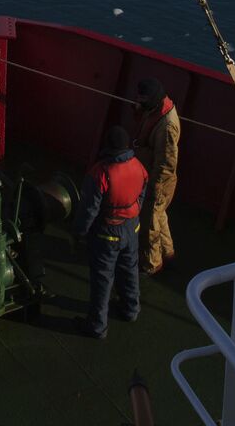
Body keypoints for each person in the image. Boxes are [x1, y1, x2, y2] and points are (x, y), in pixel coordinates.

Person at [72, 124, 147, 338]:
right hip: (132, 227)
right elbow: (141, 195)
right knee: (129, 270)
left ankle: (97, 325)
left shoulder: (101, 173)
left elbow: (89, 209)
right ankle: (130, 309)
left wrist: (79, 233)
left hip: (107, 232)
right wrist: (131, 215)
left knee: (103, 278)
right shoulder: (139, 166)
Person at [135, 77, 181, 274]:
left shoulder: (168, 126)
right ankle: (168, 254)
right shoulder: (158, 108)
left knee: (149, 222)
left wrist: (155, 185)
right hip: (153, 173)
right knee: (159, 216)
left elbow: (167, 162)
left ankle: (152, 264)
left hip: (160, 179)